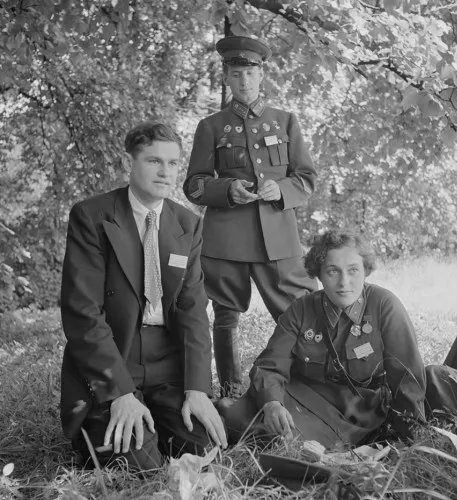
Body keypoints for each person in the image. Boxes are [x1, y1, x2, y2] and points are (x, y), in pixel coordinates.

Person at [60, 121, 227, 470]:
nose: (165, 172)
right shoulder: (92, 217)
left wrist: (197, 389)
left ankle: (165, 414)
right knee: (138, 465)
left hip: (168, 364)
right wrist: (120, 393)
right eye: (154, 161)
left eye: (172, 163)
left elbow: (194, 310)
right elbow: (83, 313)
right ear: (128, 165)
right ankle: (105, 419)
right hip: (115, 356)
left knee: (203, 453)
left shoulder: (187, 224)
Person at [183, 35, 317, 397]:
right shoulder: (211, 126)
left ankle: (304, 385)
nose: (244, 81)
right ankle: (229, 392)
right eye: (236, 74)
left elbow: (306, 179)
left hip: (277, 237)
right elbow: (193, 185)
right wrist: (226, 190)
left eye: (250, 74)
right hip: (226, 240)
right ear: (226, 77)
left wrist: (282, 191)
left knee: (297, 312)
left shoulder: (286, 121)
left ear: (262, 76)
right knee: (226, 318)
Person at [218, 228, 427, 448]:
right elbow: (270, 365)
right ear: (318, 274)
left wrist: (410, 434)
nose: (344, 282)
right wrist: (272, 403)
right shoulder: (302, 309)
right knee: (241, 418)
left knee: (284, 440)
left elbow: (407, 375)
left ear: (366, 271)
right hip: (304, 395)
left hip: (357, 409)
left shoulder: (384, 305)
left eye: (353, 270)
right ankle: (231, 411)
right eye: (333, 272)